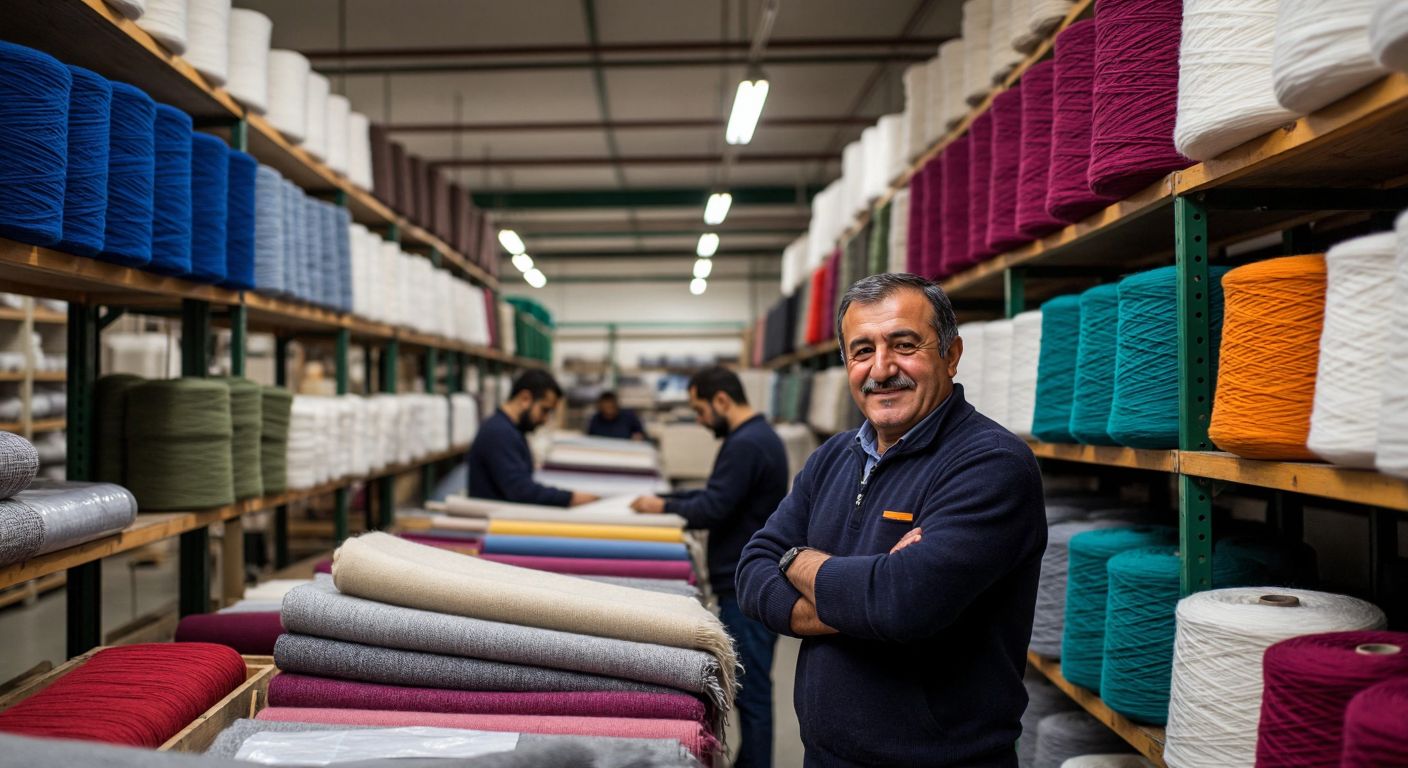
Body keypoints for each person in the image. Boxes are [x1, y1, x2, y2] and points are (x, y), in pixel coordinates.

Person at [736, 273, 1046, 767]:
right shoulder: (832, 457)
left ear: (951, 353)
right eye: (862, 351)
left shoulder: (991, 463)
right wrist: (862, 592)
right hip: (823, 756)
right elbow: (752, 571)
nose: (881, 369)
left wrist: (795, 560)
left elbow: (903, 601)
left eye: (904, 345)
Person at [631, 366, 789, 768]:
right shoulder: (755, 437)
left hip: (747, 585)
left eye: (700, 409)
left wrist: (663, 506)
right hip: (747, 579)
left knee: (750, 693)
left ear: (722, 400)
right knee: (748, 690)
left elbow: (715, 507)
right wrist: (672, 498)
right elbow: (721, 495)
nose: (700, 420)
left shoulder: (747, 443)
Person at [466, 369, 598, 507]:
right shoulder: (499, 432)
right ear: (525, 399)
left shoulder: (510, 430)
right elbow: (520, 491)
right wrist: (571, 498)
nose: (545, 419)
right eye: (544, 410)